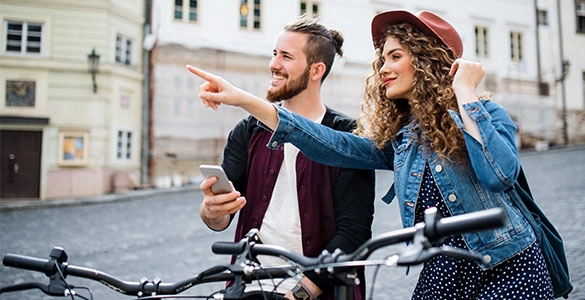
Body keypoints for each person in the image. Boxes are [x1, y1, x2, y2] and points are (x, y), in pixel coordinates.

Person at [188, 9, 556, 300]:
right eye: (382, 59)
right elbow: (330, 143)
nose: (384, 68)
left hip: (508, 266)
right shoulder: (403, 140)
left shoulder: (486, 114)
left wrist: (466, 95)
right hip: (443, 272)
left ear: (428, 60)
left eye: (395, 56)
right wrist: (244, 99)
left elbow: (499, 174)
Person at [197, 15, 375, 300]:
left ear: (316, 70)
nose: (274, 64)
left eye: (287, 57)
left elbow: (353, 234)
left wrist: (299, 294)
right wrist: (212, 210)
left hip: (319, 293)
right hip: (249, 288)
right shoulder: (248, 131)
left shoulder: (348, 135)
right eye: (274, 54)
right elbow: (218, 220)